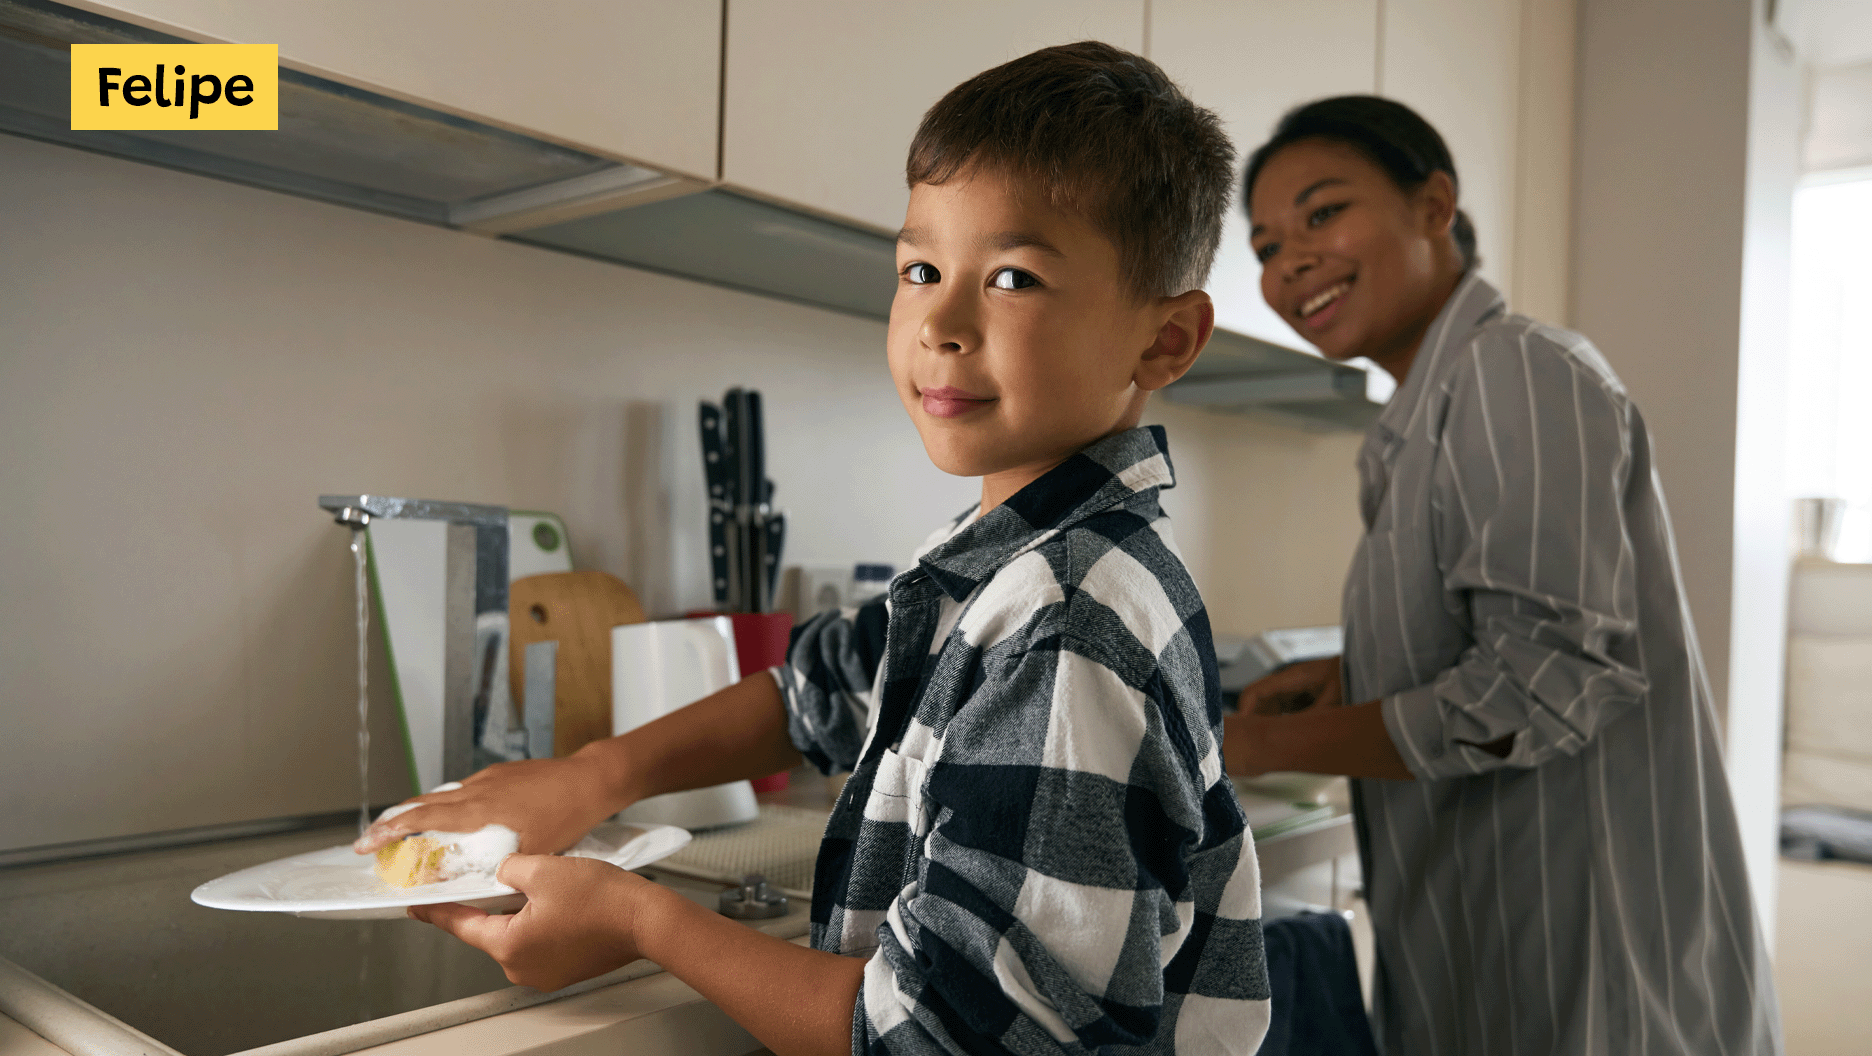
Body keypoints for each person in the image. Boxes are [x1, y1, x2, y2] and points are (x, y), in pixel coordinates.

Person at [358, 43, 1272, 1056]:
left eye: (1013, 278)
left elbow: (938, 1039)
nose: (941, 323)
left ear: (1165, 341)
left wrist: (637, 920)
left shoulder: (1067, 623)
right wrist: (595, 775)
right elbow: (819, 687)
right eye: (920, 270)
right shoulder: (1003, 567)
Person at [1223, 95, 1781, 1055]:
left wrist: (1265, 745)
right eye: (1267, 247)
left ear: (1434, 205)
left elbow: (1541, 683)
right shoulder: (1417, 423)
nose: (1291, 263)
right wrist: (1354, 678)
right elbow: (1500, 637)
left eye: (1323, 213)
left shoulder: (1513, 369)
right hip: (1493, 952)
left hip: (1589, 963)